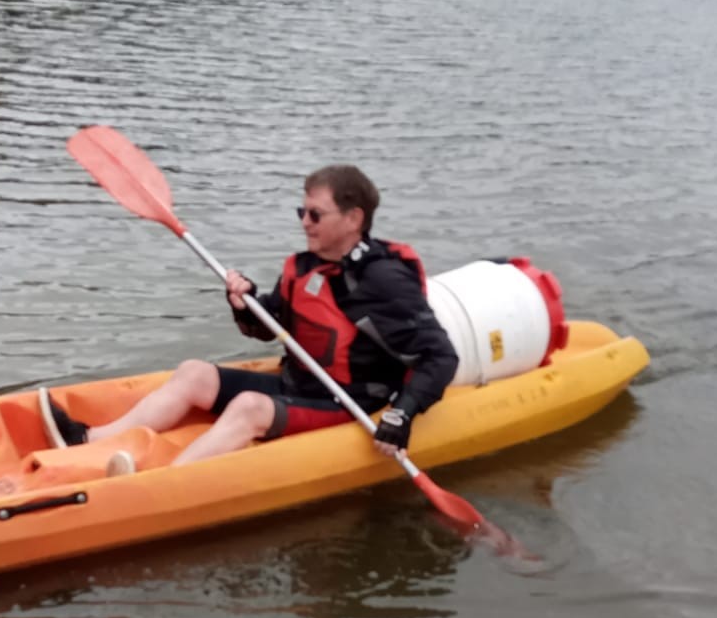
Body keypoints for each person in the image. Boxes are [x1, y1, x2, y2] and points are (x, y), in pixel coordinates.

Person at [37, 165, 458, 469]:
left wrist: (401, 416)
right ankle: (88, 440)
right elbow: (273, 327)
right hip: (300, 384)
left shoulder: (383, 280)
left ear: (353, 219)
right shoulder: (303, 266)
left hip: (351, 400)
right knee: (194, 372)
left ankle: (166, 483)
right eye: (302, 212)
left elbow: (440, 357)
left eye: (315, 214)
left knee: (249, 407)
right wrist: (247, 303)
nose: (304, 223)